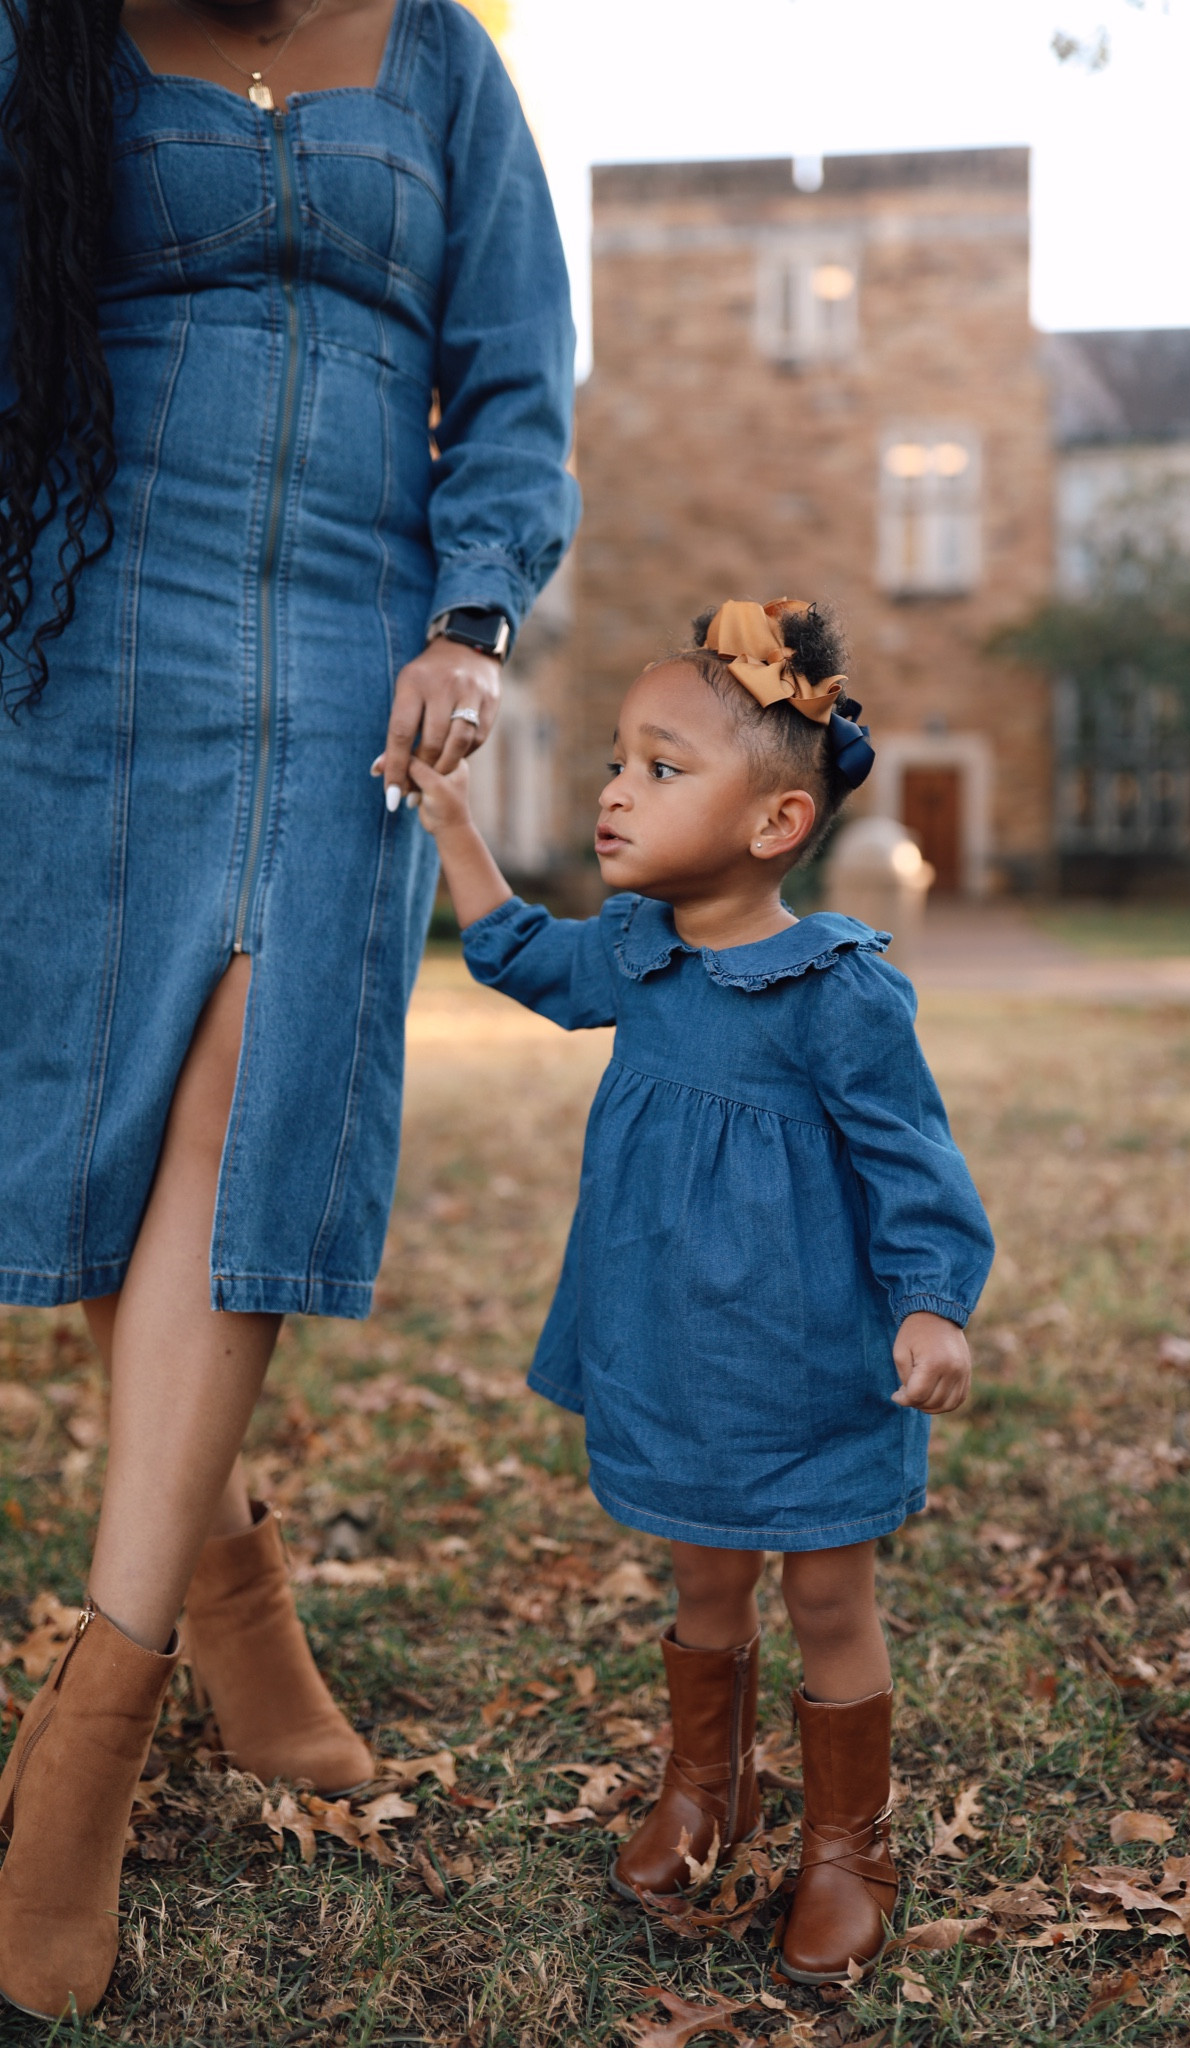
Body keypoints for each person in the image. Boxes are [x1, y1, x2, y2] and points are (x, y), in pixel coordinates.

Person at [0, 0, 577, 2020]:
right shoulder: (43, 39)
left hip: (358, 646)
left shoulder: (436, 63)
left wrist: (470, 614)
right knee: (130, 1110)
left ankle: (93, 1711)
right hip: (88, 621)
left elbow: (515, 367)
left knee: (247, 1109)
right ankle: (233, 1596)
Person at [408, 598, 994, 1985]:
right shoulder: (635, 950)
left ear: (775, 823)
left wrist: (931, 1301)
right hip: (670, 1347)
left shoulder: (832, 989)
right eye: (619, 759)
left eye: (662, 768)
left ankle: (848, 1841)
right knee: (703, 1574)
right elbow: (515, 957)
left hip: (808, 1365)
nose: (616, 788)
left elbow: (914, 1163)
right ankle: (702, 1785)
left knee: (828, 1599)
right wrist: (452, 828)